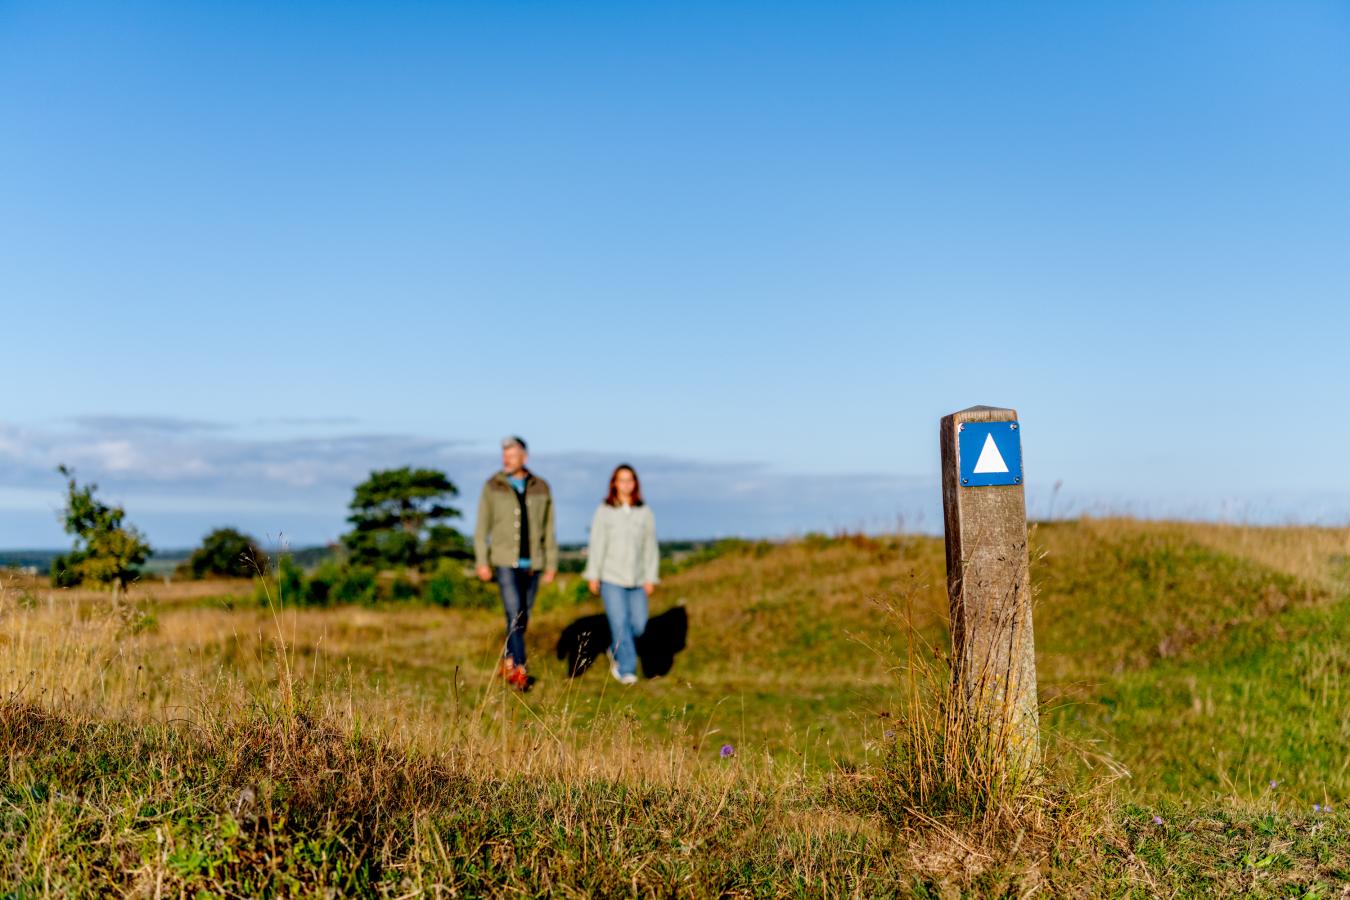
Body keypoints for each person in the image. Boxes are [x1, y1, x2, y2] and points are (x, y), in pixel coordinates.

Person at [474, 436, 557, 690]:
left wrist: (551, 562)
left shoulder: (541, 486)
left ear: (524, 458)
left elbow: (549, 528)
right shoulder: (493, 486)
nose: (505, 460)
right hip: (503, 561)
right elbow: (481, 528)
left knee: (523, 618)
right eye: (504, 455)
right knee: (514, 615)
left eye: (510, 455)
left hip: (533, 562)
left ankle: (508, 661)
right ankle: (520, 669)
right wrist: (482, 561)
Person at [583, 464, 658, 685]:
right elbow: (597, 544)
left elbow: (650, 546)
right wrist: (593, 575)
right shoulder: (605, 510)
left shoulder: (644, 511)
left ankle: (615, 648)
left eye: (630, 480)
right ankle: (627, 669)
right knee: (619, 621)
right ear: (614, 483)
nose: (625, 484)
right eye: (621, 480)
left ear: (635, 483)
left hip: (637, 578)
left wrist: (650, 577)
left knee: (639, 624)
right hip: (610, 577)